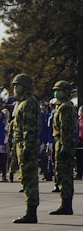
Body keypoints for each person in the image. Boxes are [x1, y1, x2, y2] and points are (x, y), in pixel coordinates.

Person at [9, 73, 41, 224]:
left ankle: (31, 212)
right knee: (27, 179)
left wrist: (27, 147)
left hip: (26, 146)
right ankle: (30, 210)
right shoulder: (24, 103)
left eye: (18, 86)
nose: (15, 88)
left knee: (29, 180)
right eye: (14, 85)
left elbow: (28, 128)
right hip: (22, 145)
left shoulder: (28, 103)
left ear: (26, 87)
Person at [49, 80, 76, 215]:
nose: (56, 92)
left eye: (59, 90)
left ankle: (66, 204)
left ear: (65, 92)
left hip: (63, 142)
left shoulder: (65, 107)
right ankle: (65, 203)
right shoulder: (65, 106)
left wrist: (64, 147)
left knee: (64, 174)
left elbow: (65, 129)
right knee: (64, 173)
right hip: (63, 142)